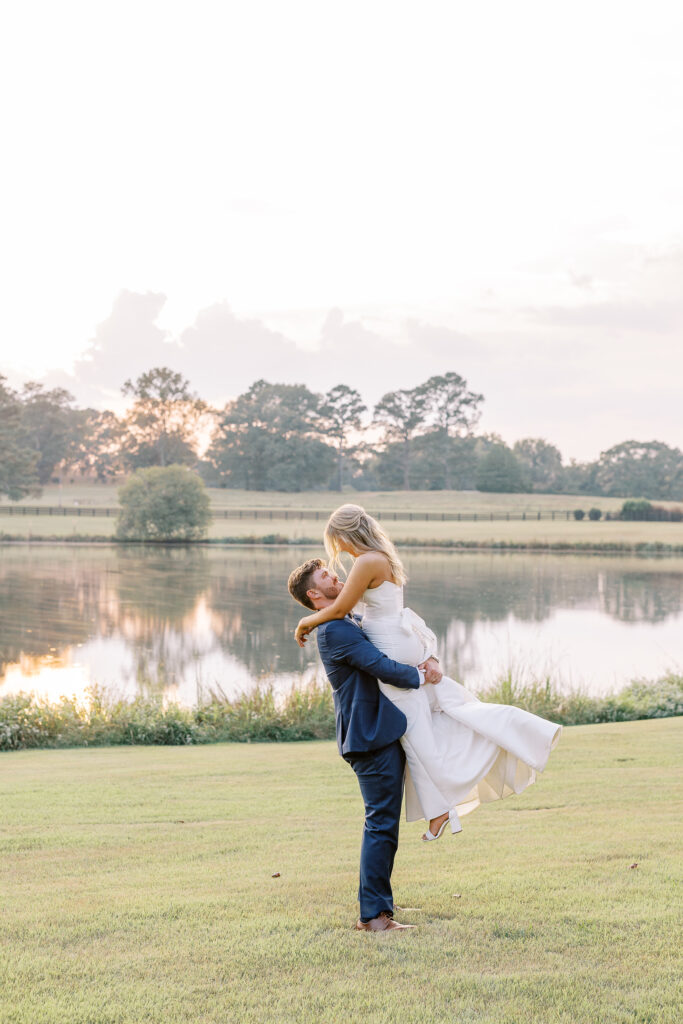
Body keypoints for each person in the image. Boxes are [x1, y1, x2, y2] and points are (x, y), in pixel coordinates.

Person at [294, 504, 562, 844]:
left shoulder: (366, 562)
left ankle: (467, 783)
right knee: (445, 711)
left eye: (337, 542)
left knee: (418, 737)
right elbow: (356, 611)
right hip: (398, 639)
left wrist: (306, 621)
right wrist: (428, 653)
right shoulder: (380, 556)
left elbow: (343, 608)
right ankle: (448, 800)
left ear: (346, 535)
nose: (339, 552)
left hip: (391, 646)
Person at [288, 557, 442, 932]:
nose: (336, 575)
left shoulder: (343, 621)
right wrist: (421, 676)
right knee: (380, 824)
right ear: (313, 593)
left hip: (380, 729)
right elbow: (379, 665)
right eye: (326, 576)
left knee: (384, 823)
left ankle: (380, 904)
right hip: (369, 736)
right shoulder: (334, 632)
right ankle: (373, 917)